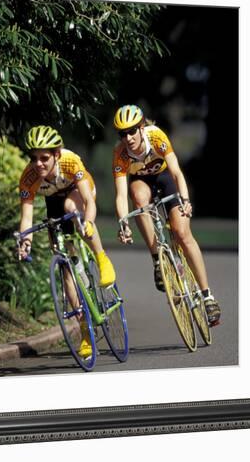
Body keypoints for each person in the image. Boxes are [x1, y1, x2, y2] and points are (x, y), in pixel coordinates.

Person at [112, 105, 221, 326]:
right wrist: (123, 223)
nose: (128, 137)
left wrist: (186, 200)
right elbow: (121, 195)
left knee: (182, 233)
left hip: (165, 179)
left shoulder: (157, 137)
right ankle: (157, 258)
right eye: (123, 133)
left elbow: (176, 172)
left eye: (132, 130)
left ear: (142, 127)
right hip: (142, 183)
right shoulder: (120, 154)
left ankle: (207, 296)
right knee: (137, 196)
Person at [17, 125, 116, 357]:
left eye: (44, 158)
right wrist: (26, 242)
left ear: (56, 154)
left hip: (77, 191)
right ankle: (85, 331)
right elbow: (27, 218)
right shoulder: (29, 178)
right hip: (53, 199)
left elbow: (90, 202)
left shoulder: (70, 161)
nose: (38, 163)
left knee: (72, 208)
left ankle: (102, 259)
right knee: (64, 262)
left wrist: (89, 223)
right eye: (33, 158)